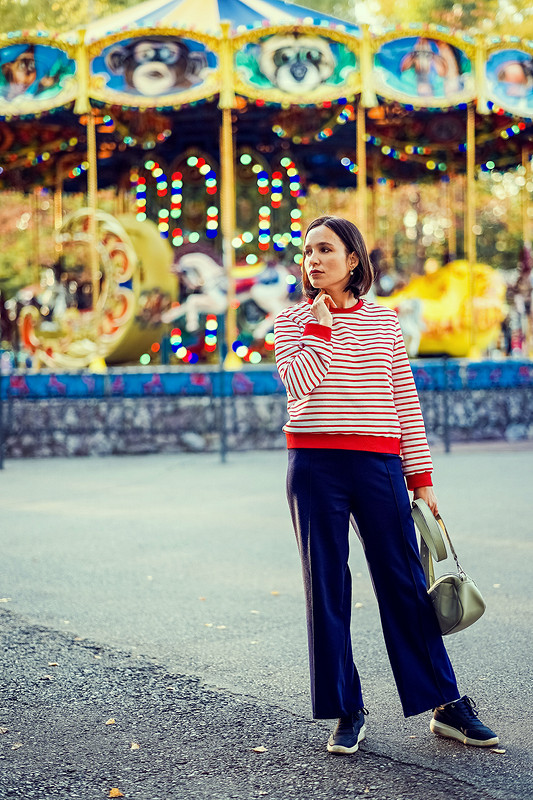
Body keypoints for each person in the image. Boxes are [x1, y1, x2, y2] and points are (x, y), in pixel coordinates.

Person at [274, 215, 498, 755]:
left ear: (353, 260)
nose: (314, 259)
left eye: (326, 250)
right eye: (309, 251)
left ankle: (445, 704)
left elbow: (405, 403)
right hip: (314, 467)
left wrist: (421, 479)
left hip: (378, 465)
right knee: (326, 588)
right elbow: (301, 383)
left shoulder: (383, 321)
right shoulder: (290, 323)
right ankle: (345, 708)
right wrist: (321, 327)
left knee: (401, 582)